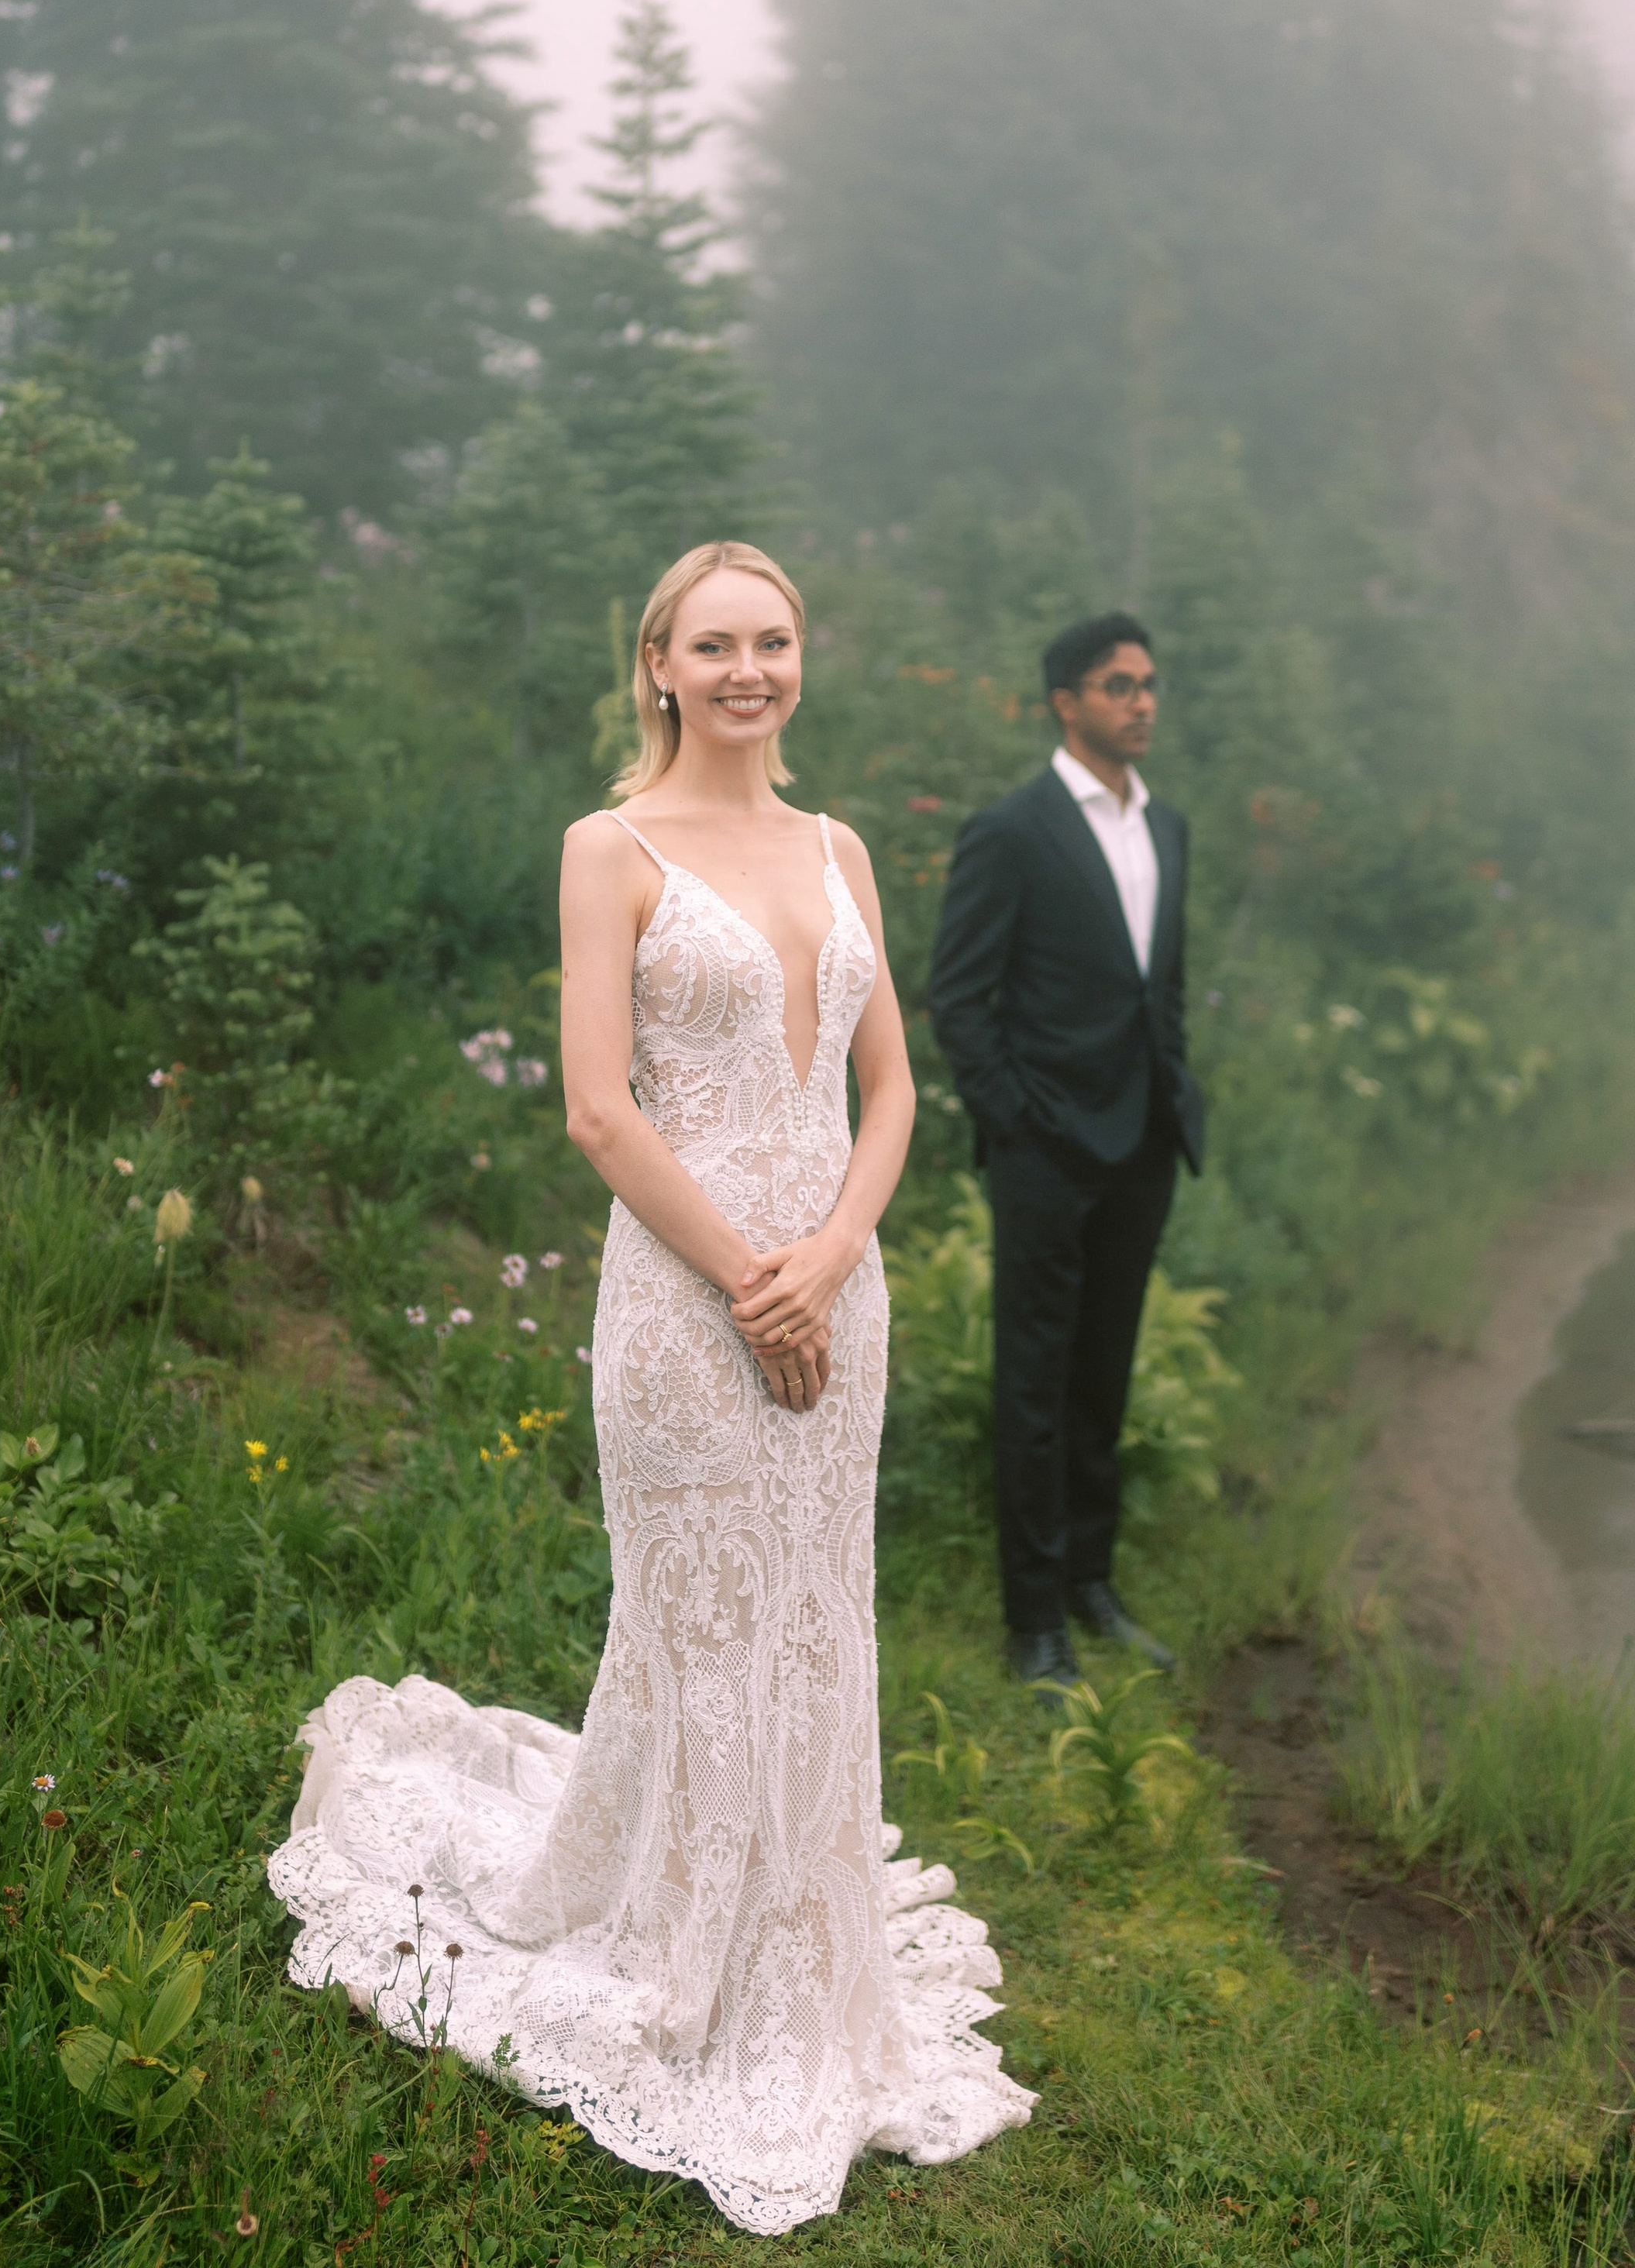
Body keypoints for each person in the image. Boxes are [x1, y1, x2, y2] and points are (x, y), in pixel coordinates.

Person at [268, 541, 1033, 2237]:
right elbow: (601, 1111)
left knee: (818, 1612)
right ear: (658, 667)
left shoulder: (836, 850)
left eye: (774, 642)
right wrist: (747, 1284)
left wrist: (830, 1253)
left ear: (796, 661)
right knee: (701, 1625)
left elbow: (892, 1083)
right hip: (683, 1309)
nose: (749, 669)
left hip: (839, 1292)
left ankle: (800, 1946)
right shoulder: (604, 851)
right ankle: (685, 1951)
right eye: (716, 645)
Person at [926, 613, 1203, 1692]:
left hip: (1141, 1142)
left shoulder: (1166, 827)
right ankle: (1032, 1622)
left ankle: (1092, 1584)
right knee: (1035, 1383)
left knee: (1103, 1374)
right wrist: (1015, 1119)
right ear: (1066, 701)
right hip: (1047, 1148)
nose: (1141, 701)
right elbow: (958, 994)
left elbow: (1159, 986)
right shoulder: (1015, 829)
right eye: (1117, 684)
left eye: (1149, 683)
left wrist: (1171, 1087)